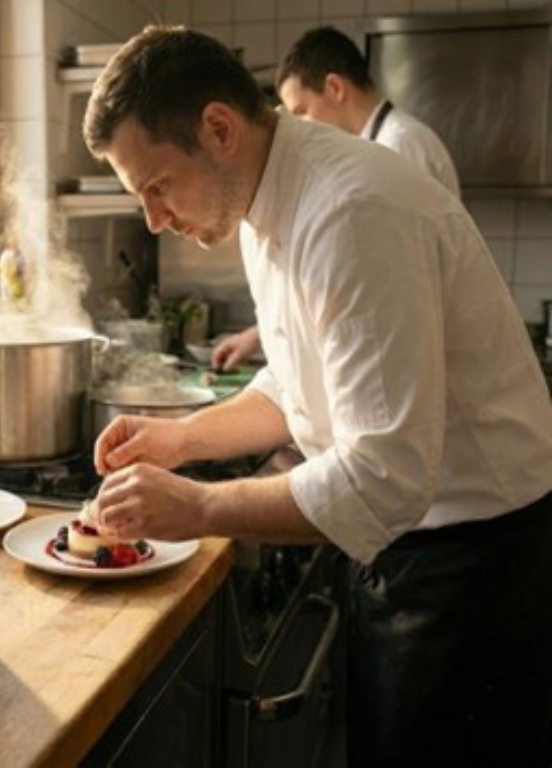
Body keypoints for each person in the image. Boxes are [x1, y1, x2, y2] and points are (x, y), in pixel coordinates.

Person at [83, 25, 552, 768]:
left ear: (218, 128)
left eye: (157, 186)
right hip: (415, 555)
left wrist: (199, 508)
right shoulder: (263, 201)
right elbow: (300, 385)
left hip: (473, 577)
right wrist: (183, 438)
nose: (153, 219)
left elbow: (381, 474)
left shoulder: (350, 213)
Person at [211, 25, 460, 371]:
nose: (296, 128)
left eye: (300, 112)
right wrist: (259, 335)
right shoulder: (380, 144)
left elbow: (394, 292)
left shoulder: (401, 145)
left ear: (334, 88)